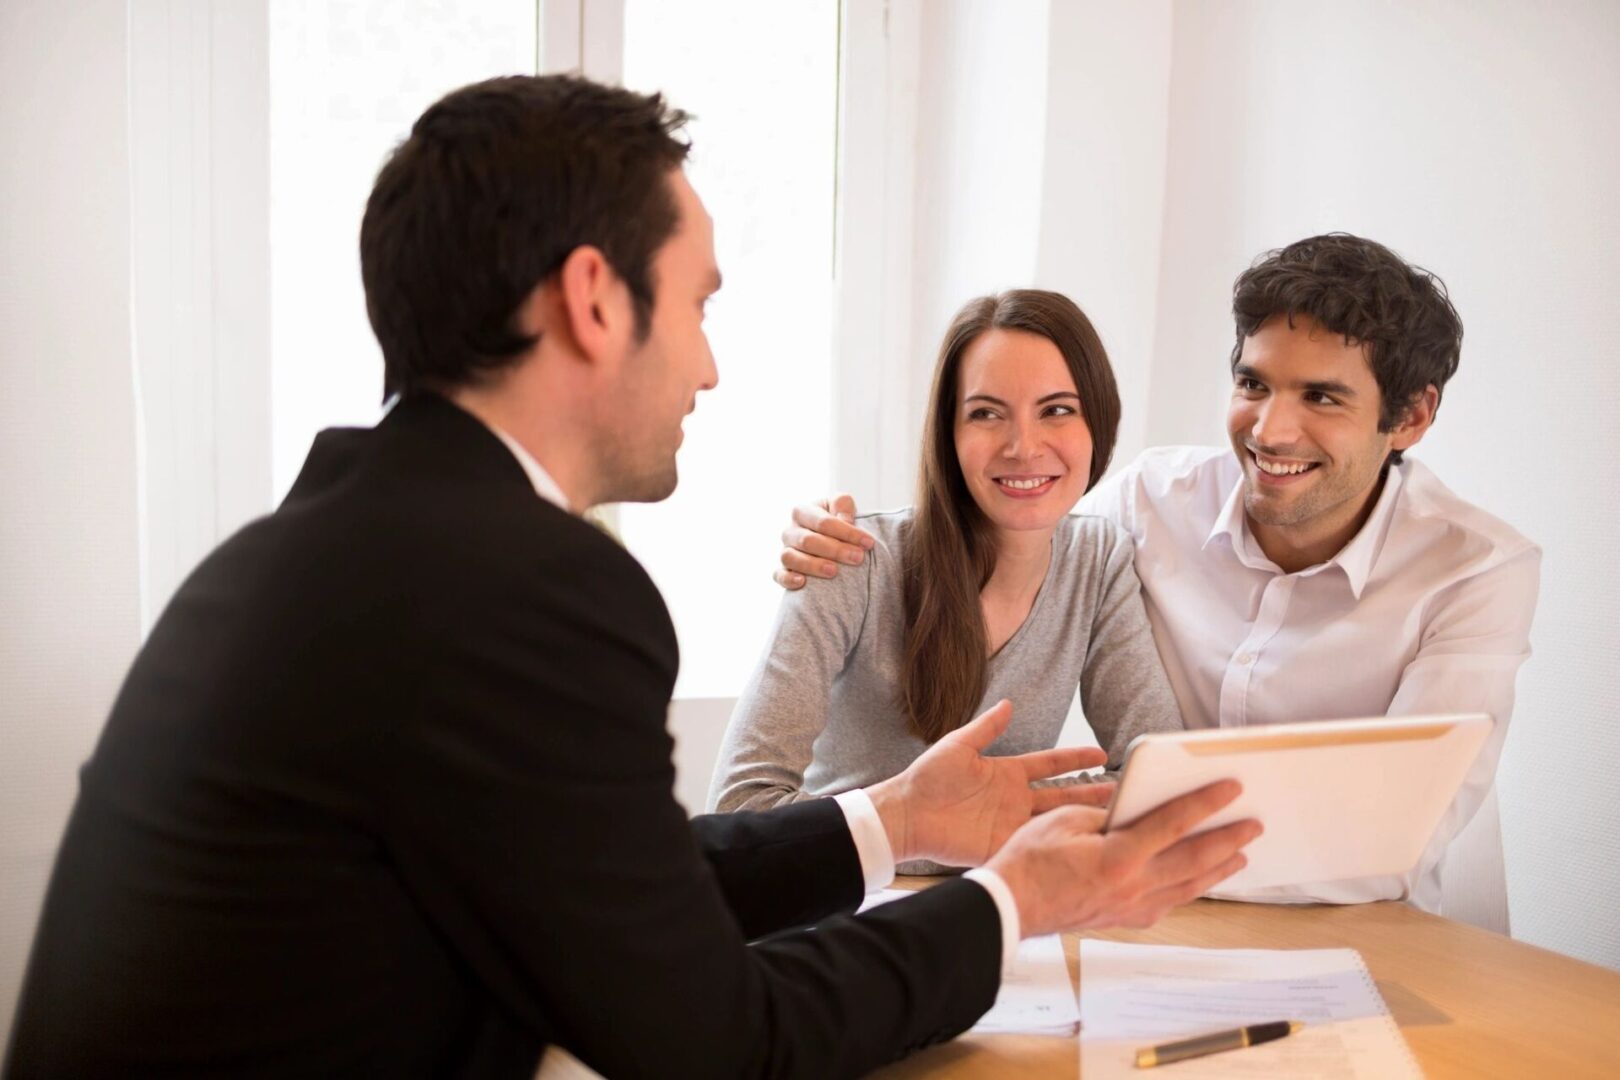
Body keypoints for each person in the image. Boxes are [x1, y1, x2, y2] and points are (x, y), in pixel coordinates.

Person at [3, 75, 1261, 1079]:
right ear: (596, 302)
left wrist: (899, 819)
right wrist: (1007, 904)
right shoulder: (524, 587)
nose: (707, 369)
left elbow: (624, 885)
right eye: (699, 305)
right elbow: (714, 1038)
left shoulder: (340, 541)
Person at [776, 233, 1540, 913]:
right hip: (1156, 911)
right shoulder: (1149, 502)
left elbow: (1389, 838)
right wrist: (840, 541)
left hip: (1367, 927)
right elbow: (1023, 509)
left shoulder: (1475, 571)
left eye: (1322, 397)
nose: (1270, 430)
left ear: (1409, 418)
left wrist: (1091, 836)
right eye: (1254, 384)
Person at [709, 289, 1181, 874]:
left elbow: (1156, 777)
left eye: (1057, 409)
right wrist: (937, 830)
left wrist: (995, 823)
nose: (1023, 447)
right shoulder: (853, 560)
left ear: (1098, 424)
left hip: (1002, 913)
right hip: (851, 915)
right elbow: (740, 812)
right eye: (986, 413)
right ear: (948, 435)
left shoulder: (1098, 558)